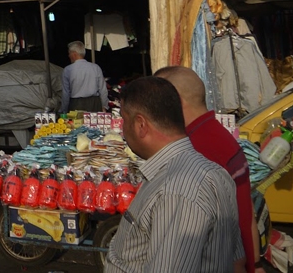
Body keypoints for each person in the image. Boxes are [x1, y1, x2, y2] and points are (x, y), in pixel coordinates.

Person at [106, 76, 243, 273]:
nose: (122, 130)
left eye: (124, 121)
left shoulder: (174, 190)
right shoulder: (214, 172)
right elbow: (237, 260)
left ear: (140, 125)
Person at [156, 66, 257, 273]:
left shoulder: (196, 148)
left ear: (177, 102)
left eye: (157, 101)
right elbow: (248, 212)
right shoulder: (217, 134)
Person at [60, 41, 107, 113]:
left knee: (76, 124)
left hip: (76, 104)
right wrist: (104, 106)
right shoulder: (95, 67)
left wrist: (64, 111)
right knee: (94, 124)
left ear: (74, 54)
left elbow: (66, 93)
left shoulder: (68, 70)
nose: (69, 56)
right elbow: (103, 89)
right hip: (94, 104)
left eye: (69, 53)